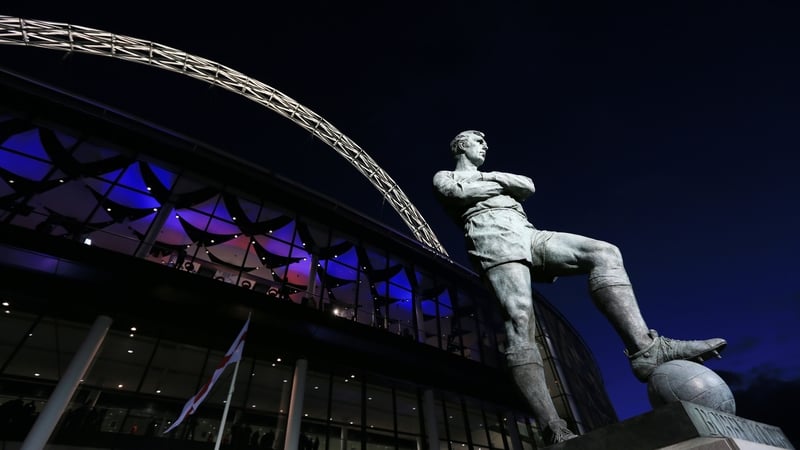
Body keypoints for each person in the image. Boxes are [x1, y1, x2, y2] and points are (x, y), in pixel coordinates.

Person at [432, 130, 727, 444]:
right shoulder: (444, 176)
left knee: (604, 252)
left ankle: (646, 349)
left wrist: (490, 183)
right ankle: (553, 427)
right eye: (479, 141)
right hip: (491, 236)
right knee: (520, 321)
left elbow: (527, 185)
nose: (486, 145)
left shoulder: (490, 176)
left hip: (527, 231)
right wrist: (501, 185)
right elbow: (458, 195)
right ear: (461, 145)